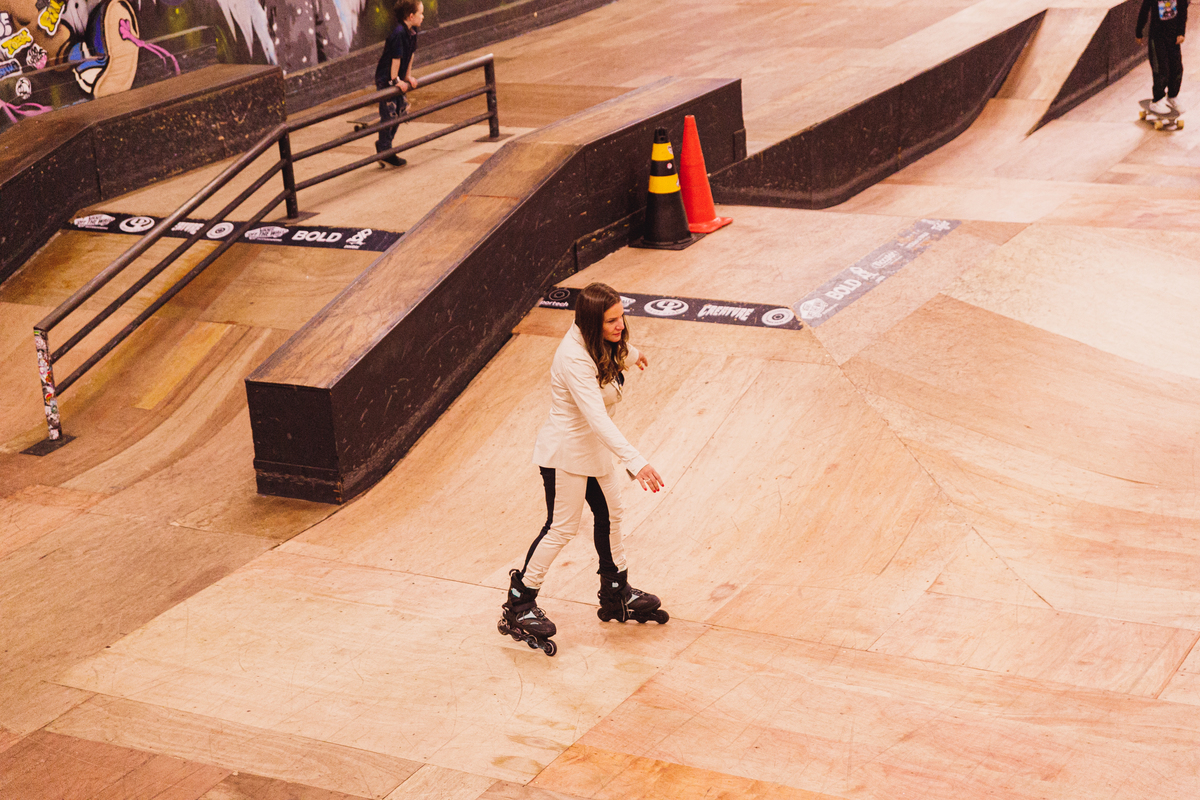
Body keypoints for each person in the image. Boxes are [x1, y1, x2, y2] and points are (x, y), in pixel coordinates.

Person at [498, 283, 669, 655]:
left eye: (621, 315)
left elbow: (610, 353)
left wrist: (632, 354)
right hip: (566, 454)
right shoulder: (572, 358)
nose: (620, 324)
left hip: (592, 452)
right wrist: (636, 462)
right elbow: (597, 419)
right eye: (611, 320)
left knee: (612, 514)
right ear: (592, 323)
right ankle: (519, 602)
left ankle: (615, 593)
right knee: (561, 528)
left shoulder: (599, 340)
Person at [373, 0, 423, 167]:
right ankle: (385, 149)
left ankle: (383, 146)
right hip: (386, 79)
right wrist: (396, 80)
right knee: (389, 113)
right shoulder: (399, 33)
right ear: (410, 16)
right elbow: (396, 59)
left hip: (399, 77)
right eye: (420, 14)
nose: (422, 17)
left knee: (400, 111)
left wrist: (408, 76)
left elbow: (410, 55)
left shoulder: (413, 31)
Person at [1137, 0, 1189, 115]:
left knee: (1177, 68)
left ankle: (1172, 96)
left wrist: (1181, 32)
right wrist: (1139, 32)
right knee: (1161, 69)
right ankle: (1157, 100)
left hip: (1173, 37)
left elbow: (1183, 11)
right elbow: (1144, 10)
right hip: (1157, 38)